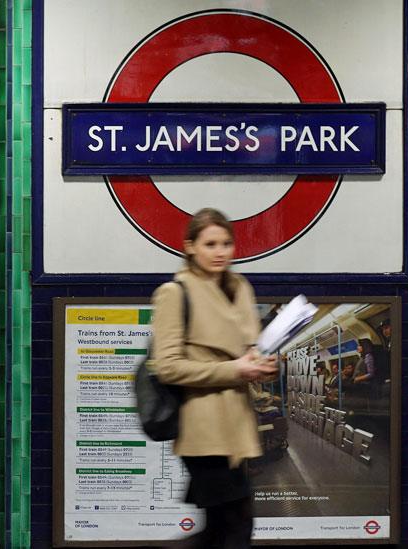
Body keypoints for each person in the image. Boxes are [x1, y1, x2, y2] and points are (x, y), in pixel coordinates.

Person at [149, 208, 277, 549]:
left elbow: (248, 348)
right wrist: (235, 370)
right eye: (210, 244)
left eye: (226, 243)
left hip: (235, 423)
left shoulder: (239, 287)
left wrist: (262, 365)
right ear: (189, 246)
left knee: (221, 527)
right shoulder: (175, 293)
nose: (220, 252)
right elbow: (168, 366)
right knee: (236, 524)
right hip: (202, 426)